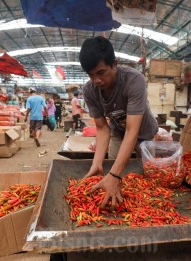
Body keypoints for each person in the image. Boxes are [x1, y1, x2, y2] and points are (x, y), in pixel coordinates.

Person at [79, 36, 158, 209]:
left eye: (100, 73)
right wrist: (97, 163)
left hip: (145, 134)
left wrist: (114, 175)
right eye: (91, 75)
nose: (96, 80)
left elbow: (133, 131)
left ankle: (146, 207)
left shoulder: (134, 80)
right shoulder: (89, 90)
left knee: (149, 179)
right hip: (118, 133)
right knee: (116, 169)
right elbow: (102, 128)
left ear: (114, 64)